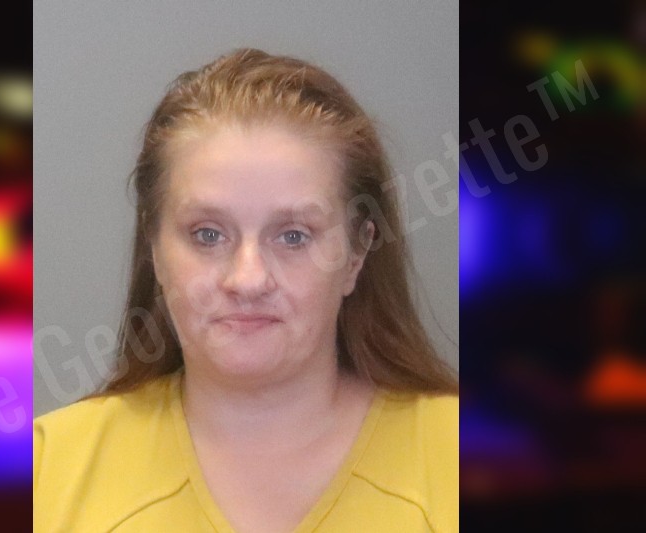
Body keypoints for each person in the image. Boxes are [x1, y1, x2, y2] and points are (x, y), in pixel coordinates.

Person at [33, 48, 458, 533]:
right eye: (207, 234)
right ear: (154, 247)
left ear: (357, 253)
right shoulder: (44, 473)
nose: (248, 280)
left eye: (293, 236)